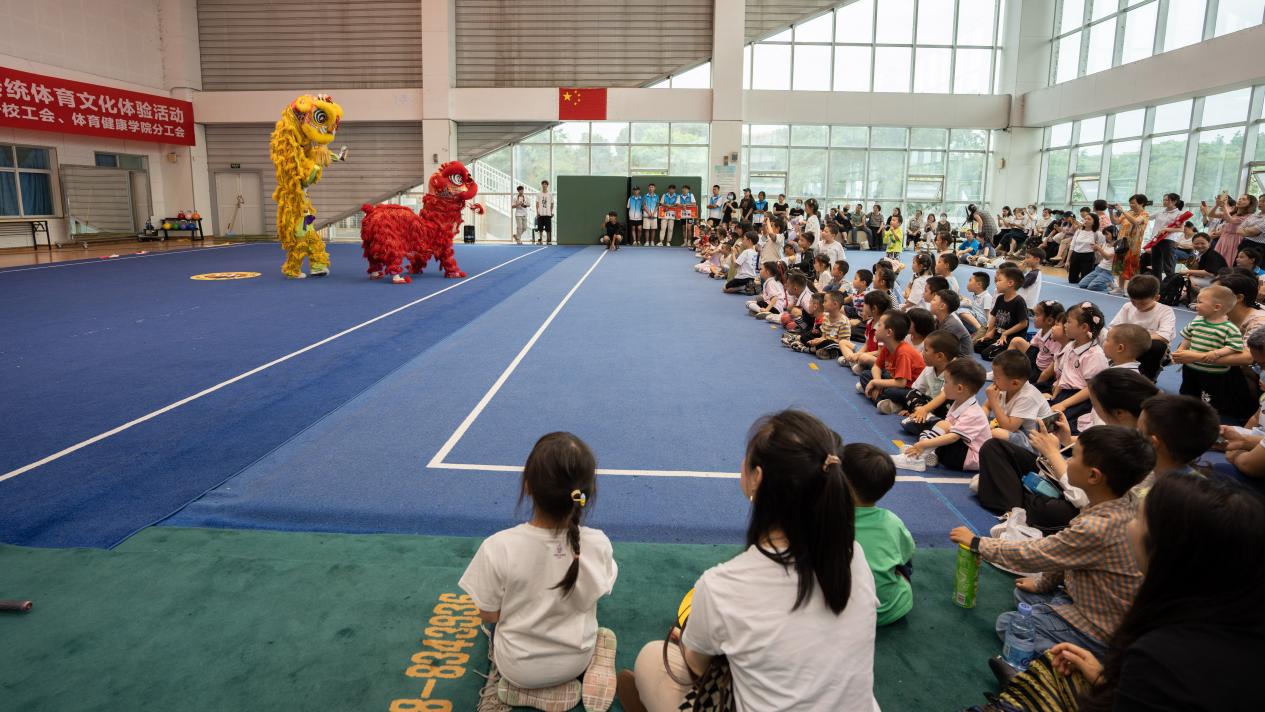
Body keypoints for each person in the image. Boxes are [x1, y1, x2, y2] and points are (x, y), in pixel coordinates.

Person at [619, 411, 879, 712]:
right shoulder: (853, 555)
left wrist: (690, 642)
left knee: (652, 657)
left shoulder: (722, 585)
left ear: (757, 478)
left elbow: (696, 668)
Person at [981, 472, 1265, 712]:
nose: (1128, 525)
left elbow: (1040, 555)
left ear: (1169, 551)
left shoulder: (1162, 656)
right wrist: (1103, 678)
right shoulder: (1225, 620)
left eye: (1139, 520)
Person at [951, 425, 1154, 659]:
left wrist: (978, 543)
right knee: (1025, 596)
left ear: (1093, 476)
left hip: (1098, 628)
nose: (1067, 462)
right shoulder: (1123, 502)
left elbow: (1035, 554)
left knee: (1008, 625)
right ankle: (1055, 611)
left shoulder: (1097, 527)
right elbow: (1067, 556)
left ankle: (1084, 660)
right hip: (1088, 598)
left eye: (1074, 456)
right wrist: (1043, 584)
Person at [461, 432, 619, 712]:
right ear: (586, 493)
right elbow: (603, 588)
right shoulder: (598, 543)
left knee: (499, 638)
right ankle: (593, 663)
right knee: (601, 630)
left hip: (517, 668)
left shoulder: (498, 547)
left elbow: (489, 615)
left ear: (528, 486)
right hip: (576, 661)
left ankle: (516, 690)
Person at [974, 369, 1159, 532]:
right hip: (1070, 478)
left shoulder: (1136, 451)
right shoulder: (1122, 428)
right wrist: (1066, 439)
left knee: (1049, 511)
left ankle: (1009, 497)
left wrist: (1053, 453)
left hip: (1084, 499)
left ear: (1119, 412)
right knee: (994, 448)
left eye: (1095, 405)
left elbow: (1086, 499)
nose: (1094, 409)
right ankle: (1012, 501)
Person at [841, 443, 915, 627]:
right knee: (903, 563)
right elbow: (907, 553)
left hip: (841, 614)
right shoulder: (892, 521)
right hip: (890, 609)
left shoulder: (824, 518)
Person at [893, 358, 990, 472]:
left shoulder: (973, 413)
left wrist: (923, 444)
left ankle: (917, 457)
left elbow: (953, 437)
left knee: (942, 426)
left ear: (959, 388)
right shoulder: (959, 402)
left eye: (946, 382)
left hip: (968, 458)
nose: (943, 386)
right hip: (959, 451)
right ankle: (927, 453)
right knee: (929, 430)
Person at [1173, 284, 1246, 416]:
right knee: (1187, 393)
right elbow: (1188, 336)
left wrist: (1216, 353)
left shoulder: (1229, 328)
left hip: (1213, 373)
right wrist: (1182, 349)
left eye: (1200, 302)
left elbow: (1234, 347)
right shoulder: (1197, 322)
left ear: (1216, 307)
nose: (1196, 304)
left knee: (1209, 399)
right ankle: (1184, 414)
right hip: (1191, 367)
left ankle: (1206, 419)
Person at [1106, 275, 1174, 381]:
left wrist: (1136, 339)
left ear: (1156, 298)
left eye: (1142, 303)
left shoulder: (1165, 311)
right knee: (1110, 337)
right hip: (1128, 345)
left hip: (1150, 348)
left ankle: (1147, 379)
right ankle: (1115, 369)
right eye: (1133, 301)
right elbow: (1114, 327)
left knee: (1158, 346)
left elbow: (1164, 336)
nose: (1137, 305)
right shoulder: (1128, 307)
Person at [984, 350, 1054, 451]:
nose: (993, 380)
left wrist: (993, 402)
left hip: (1036, 443)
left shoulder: (1028, 396)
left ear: (1015, 383)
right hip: (1017, 430)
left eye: (997, 377)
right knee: (975, 421)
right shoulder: (1005, 386)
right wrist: (981, 422)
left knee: (996, 433)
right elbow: (986, 407)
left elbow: (1009, 428)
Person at [880, 329, 958, 417]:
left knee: (949, 403)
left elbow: (944, 395)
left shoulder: (954, 372)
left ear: (939, 356)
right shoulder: (929, 368)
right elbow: (917, 390)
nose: (922, 353)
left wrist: (923, 410)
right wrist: (918, 409)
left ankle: (926, 418)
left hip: (944, 410)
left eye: (926, 350)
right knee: (911, 394)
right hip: (929, 403)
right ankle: (920, 415)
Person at [859, 310, 927, 406]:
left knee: (891, 392)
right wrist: (878, 383)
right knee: (865, 374)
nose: (875, 328)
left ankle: (892, 404)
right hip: (895, 379)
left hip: (911, 389)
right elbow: (876, 366)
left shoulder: (903, 352)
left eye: (879, 325)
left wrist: (875, 382)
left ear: (889, 332)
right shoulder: (888, 346)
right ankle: (882, 399)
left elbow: (901, 383)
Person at [973, 267, 1029, 358]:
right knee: (977, 346)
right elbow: (995, 317)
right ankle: (998, 347)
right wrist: (990, 332)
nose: (996, 283)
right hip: (998, 334)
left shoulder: (1019, 301)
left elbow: (1024, 323)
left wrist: (1006, 333)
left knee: (986, 354)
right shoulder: (1000, 298)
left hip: (1009, 338)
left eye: (999, 280)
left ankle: (1014, 351)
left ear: (1010, 283)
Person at [534, 180, 555, 245]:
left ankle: (548, 240)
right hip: (540, 214)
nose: (544, 185)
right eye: (543, 184)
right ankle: (540, 240)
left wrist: (551, 212)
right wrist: (537, 212)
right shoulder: (539, 194)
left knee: (548, 228)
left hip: (548, 214)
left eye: (545, 184)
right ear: (542, 185)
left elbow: (552, 203)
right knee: (540, 228)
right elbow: (537, 203)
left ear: (547, 185)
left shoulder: (550, 194)